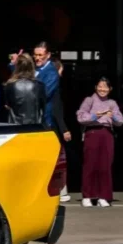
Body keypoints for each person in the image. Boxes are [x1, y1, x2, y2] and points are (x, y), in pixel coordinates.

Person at [76, 77, 123, 207]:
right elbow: (80, 117)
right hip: (92, 132)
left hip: (107, 133)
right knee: (90, 165)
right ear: (95, 87)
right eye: (100, 86)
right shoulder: (89, 100)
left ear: (110, 89)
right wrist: (94, 116)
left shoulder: (112, 103)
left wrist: (112, 116)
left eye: (105, 87)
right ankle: (87, 196)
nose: (102, 89)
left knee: (105, 166)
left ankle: (103, 196)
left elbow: (120, 121)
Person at [10, 41, 59, 129]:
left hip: (42, 118)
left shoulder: (51, 73)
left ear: (48, 55)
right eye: (35, 55)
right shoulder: (34, 68)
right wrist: (15, 64)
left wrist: (22, 96)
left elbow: (45, 94)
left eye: (40, 55)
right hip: (28, 116)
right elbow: (20, 77)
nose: (37, 58)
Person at [3, 53, 46, 125]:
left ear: (17, 67)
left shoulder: (10, 85)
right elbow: (43, 106)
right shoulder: (39, 85)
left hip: (15, 126)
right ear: (32, 66)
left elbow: (8, 105)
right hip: (35, 126)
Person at [51, 57, 72, 201]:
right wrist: (64, 129)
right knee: (57, 160)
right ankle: (59, 191)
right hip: (55, 128)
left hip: (50, 126)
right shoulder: (54, 87)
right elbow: (56, 110)